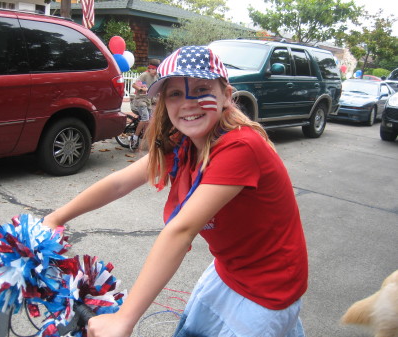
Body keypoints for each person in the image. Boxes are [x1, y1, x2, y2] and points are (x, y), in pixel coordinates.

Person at [43, 45, 308, 337]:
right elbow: (120, 182)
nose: (188, 103)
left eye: (201, 88)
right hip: (228, 271)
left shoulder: (240, 147)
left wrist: (124, 319)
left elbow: (181, 232)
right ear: (165, 103)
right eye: (175, 94)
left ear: (226, 96)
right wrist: (56, 218)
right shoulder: (182, 143)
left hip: (270, 288)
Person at [129, 59, 160, 150]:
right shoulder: (144, 75)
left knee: (150, 121)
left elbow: (156, 88)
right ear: (149, 68)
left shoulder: (156, 77)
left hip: (148, 102)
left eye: (156, 70)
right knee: (145, 118)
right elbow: (134, 85)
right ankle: (134, 138)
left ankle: (146, 141)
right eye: (153, 69)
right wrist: (141, 89)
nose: (155, 72)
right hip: (140, 100)